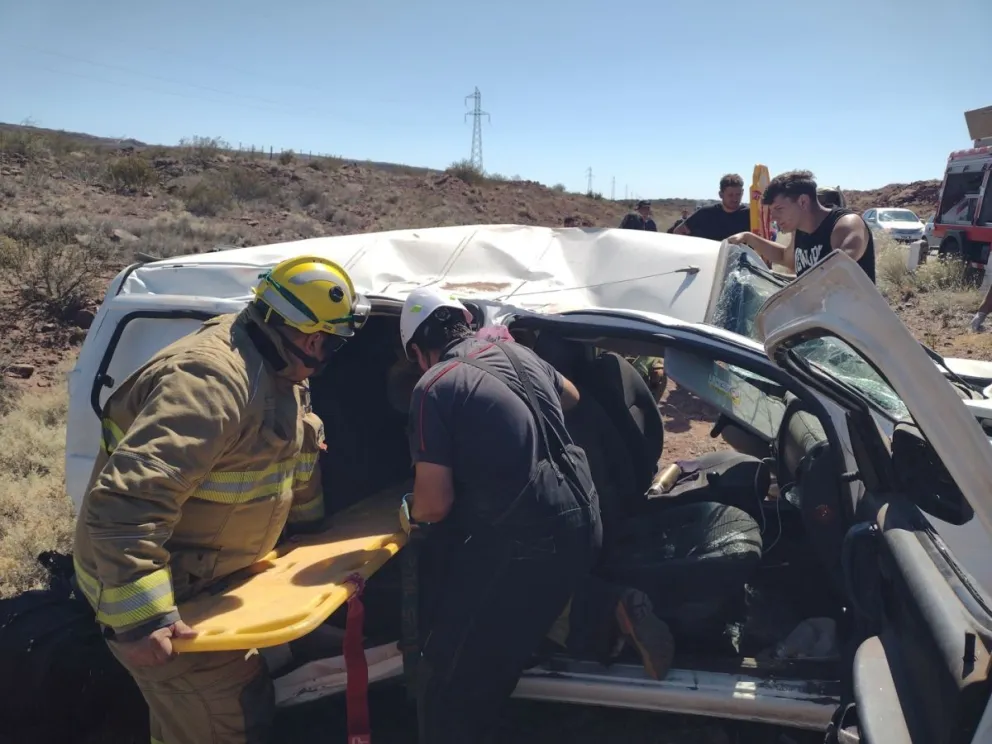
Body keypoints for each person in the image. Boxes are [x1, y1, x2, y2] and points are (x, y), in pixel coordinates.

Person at [71, 256, 370, 744]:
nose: (327, 353)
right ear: (310, 337)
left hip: (215, 578)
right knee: (226, 718)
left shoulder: (281, 366)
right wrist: (142, 619)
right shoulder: (209, 383)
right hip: (170, 594)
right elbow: (127, 501)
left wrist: (309, 533)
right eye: (330, 342)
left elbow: (294, 457)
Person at [398, 287, 603, 743]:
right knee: (504, 650)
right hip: (584, 518)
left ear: (417, 350)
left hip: (526, 547)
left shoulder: (434, 384)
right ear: (465, 322)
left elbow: (433, 505)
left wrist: (403, 510)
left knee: (449, 678)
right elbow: (570, 396)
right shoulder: (518, 354)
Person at [726, 170, 876, 283]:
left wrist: (778, 278)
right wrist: (749, 238)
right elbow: (784, 257)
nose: (773, 218)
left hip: (852, 322)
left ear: (803, 202)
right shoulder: (800, 230)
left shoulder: (845, 224)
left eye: (779, 209)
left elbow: (838, 270)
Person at [674, 174, 750, 240]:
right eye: (730, 195)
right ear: (721, 194)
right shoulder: (705, 213)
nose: (735, 198)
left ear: (742, 192)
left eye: (738, 194)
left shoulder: (750, 215)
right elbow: (679, 231)